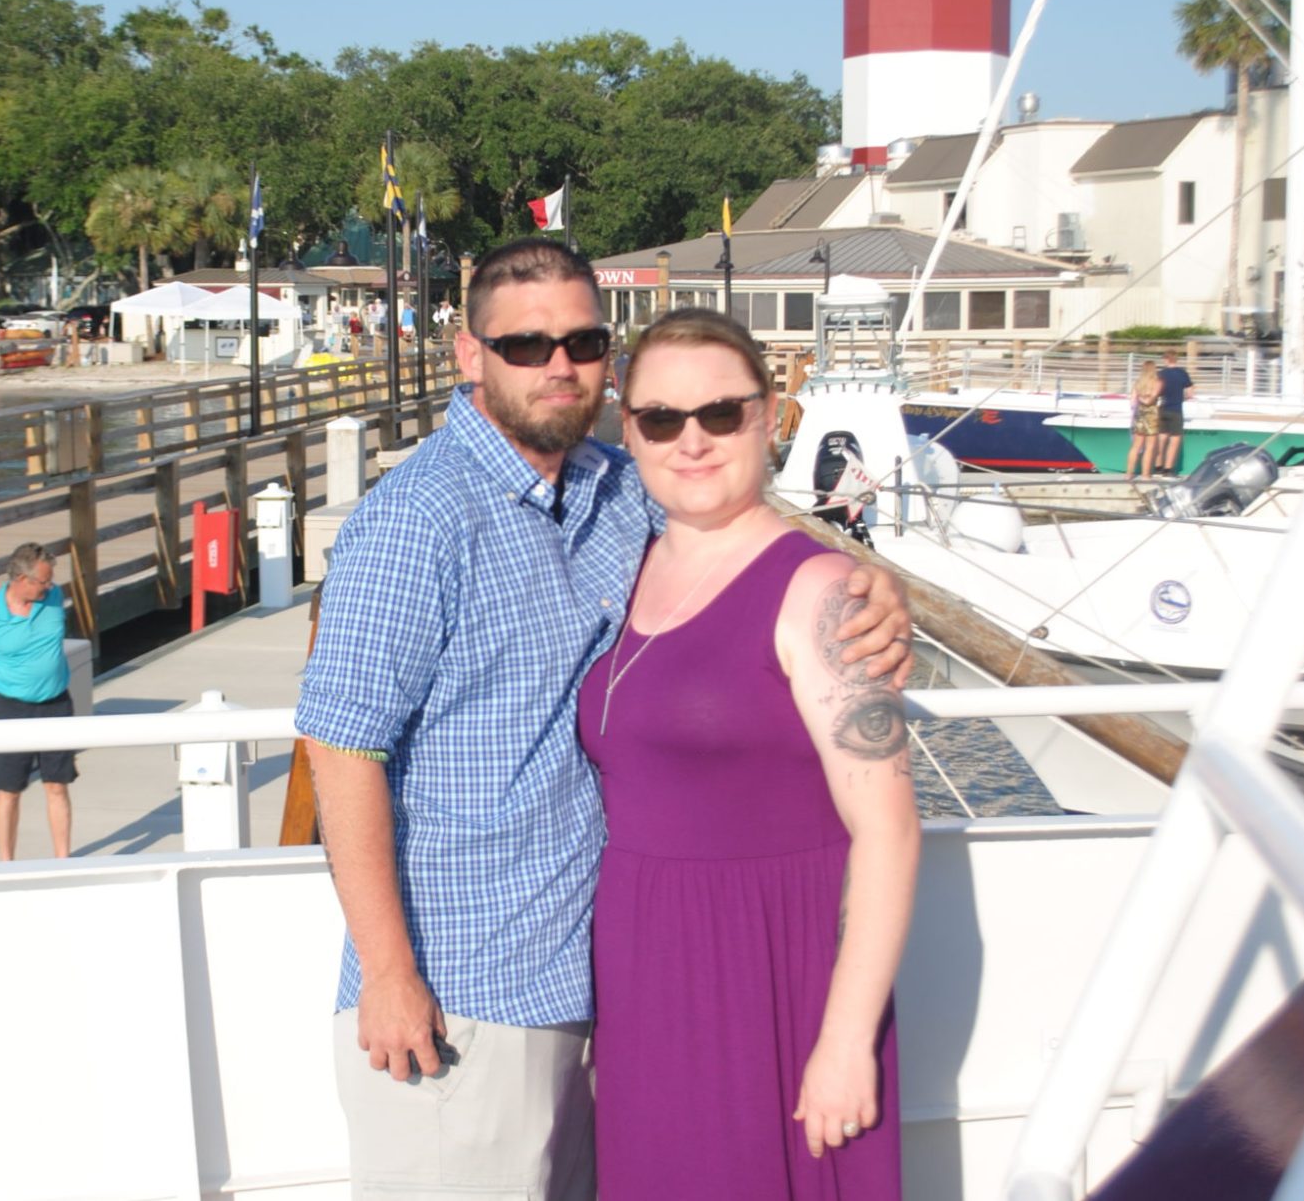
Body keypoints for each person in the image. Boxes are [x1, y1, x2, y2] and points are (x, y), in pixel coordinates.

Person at [296, 239, 912, 1199]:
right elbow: (340, 751)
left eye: (582, 341)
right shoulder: (416, 521)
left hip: (600, 990)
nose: (557, 365)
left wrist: (874, 588)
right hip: (460, 994)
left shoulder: (615, 489)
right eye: (525, 344)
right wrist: (388, 973)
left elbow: (742, 544)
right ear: (470, 356)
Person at [584, 309, 918, 1199]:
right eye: (661, 419)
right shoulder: (628, 559)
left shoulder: (821, 594)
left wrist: (846, 1041)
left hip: (771, 972)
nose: (691, 441)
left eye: (721, 415)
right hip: (646, 982)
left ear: (771, 418)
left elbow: (889, 832)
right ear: (631, 432)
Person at [0, 542, 77, 861]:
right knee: (8, 790)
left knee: (57, 785)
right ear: (21, 579)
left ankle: (63, 860)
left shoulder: (54, 598)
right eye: (43, 581)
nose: (50, 587)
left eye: (50, 581)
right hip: (9, 708)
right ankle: (6, 863)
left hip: (57, 704)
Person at [1154, 349, 1196, 475]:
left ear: (1166, 359)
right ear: (1176, 359)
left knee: (1161, 438)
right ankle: (1169, 469)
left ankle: (1157, 467)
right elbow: (1190, 393)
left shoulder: (1160, 374)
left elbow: (1156, 391)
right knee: (1175, 439)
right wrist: (1182, 397)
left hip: (1163, 408)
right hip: (1176, 409)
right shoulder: (1182, 373)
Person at [1125, 356, 1162, 479]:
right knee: (1150, 447)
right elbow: (1152, 398)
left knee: (1136, 446)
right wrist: (1146, 399)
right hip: (1151, 414)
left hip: (1139, 414)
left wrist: (1140, 398)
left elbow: (1132, 401)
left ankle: (1129, 473)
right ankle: (1145, 474)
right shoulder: (1157, 382)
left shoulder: (1138, 382)